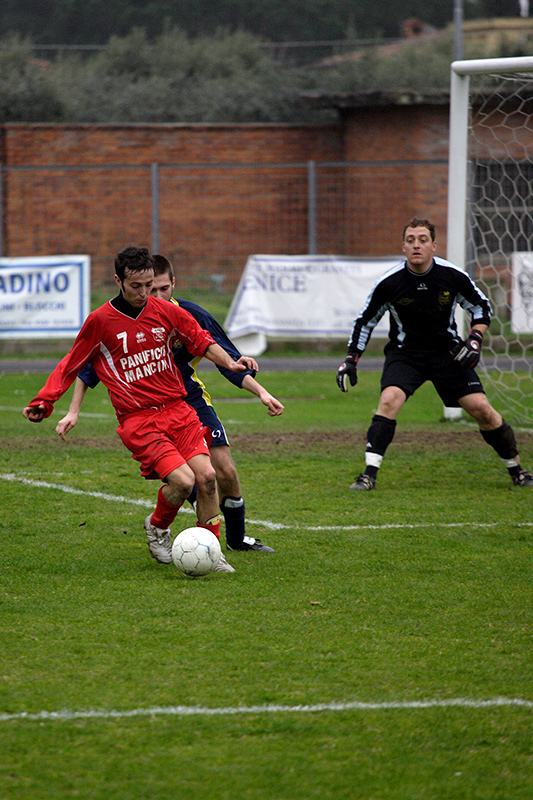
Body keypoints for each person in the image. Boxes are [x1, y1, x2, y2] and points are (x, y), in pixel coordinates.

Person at [23, 246, 260, 573]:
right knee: (182, 482)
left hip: (179, 411)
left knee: (207, 478)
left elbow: (201, 340)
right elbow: (72, 363)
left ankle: (211, 550)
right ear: (118, 280)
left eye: (150, 285)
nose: (144, 293)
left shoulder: (165, 311)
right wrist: (45, 400)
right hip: (140, 419)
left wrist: (232, 363)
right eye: (136, 286)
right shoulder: (100, 321)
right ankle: (158, 527)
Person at [336, 217, 533, 491]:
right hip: (406, 355)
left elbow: (481, 307)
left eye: (422, 240)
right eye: (410, 240)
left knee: (482, 410)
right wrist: (351, 359)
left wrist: (474, 339)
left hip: (448, 354)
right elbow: (364, 322)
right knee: (389, 400)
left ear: (434, 246)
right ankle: (368, 475)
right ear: (403, 247)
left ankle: (518, 470)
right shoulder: (390, 283)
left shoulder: (451, 276)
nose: (416, 245)